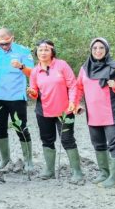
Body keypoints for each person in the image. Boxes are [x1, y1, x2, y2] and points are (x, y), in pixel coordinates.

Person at [74, 37, 115, 188]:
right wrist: (76, 103)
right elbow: (79, 88)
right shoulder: (84, 69)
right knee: (98, 144)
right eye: (95, 48)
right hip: (93, 115)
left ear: (106, 50)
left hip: (111, 114)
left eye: (101, 48)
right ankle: (104, 173)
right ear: (91, 50)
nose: (98, 51)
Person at [27, 40, 81, 182]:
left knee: (67, 140)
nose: (43, 53)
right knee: (47, 140)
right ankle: (49, 170)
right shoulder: (35, 71)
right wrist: (32, 92)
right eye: (40, 50)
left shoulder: (62, 65)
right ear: (36, 52)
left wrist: (72, 102)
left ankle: (77, 172)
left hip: (65, 111)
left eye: (46, 50)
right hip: (43, 111)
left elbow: (73, 85)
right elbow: (34, 93)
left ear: (52, 52)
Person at [0, 28, 35, 171]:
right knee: (0, 128)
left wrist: (21, 66)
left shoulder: (23, 51)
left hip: (16, 97)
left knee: (21, 128)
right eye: (1, 43)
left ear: (12, 38)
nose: (4, 46)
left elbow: (33, 73)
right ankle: (4, 159)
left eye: (7, 43)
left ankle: (28, 161)